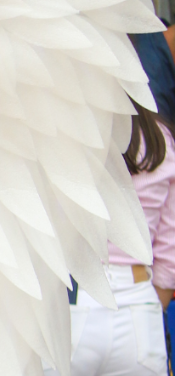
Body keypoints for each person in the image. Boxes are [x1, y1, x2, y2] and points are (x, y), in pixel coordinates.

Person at [46, 100, 175, 376]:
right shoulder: (161, 138)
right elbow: (169, 252)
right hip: (140, 304)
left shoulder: (66, 129)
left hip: (74, 296)